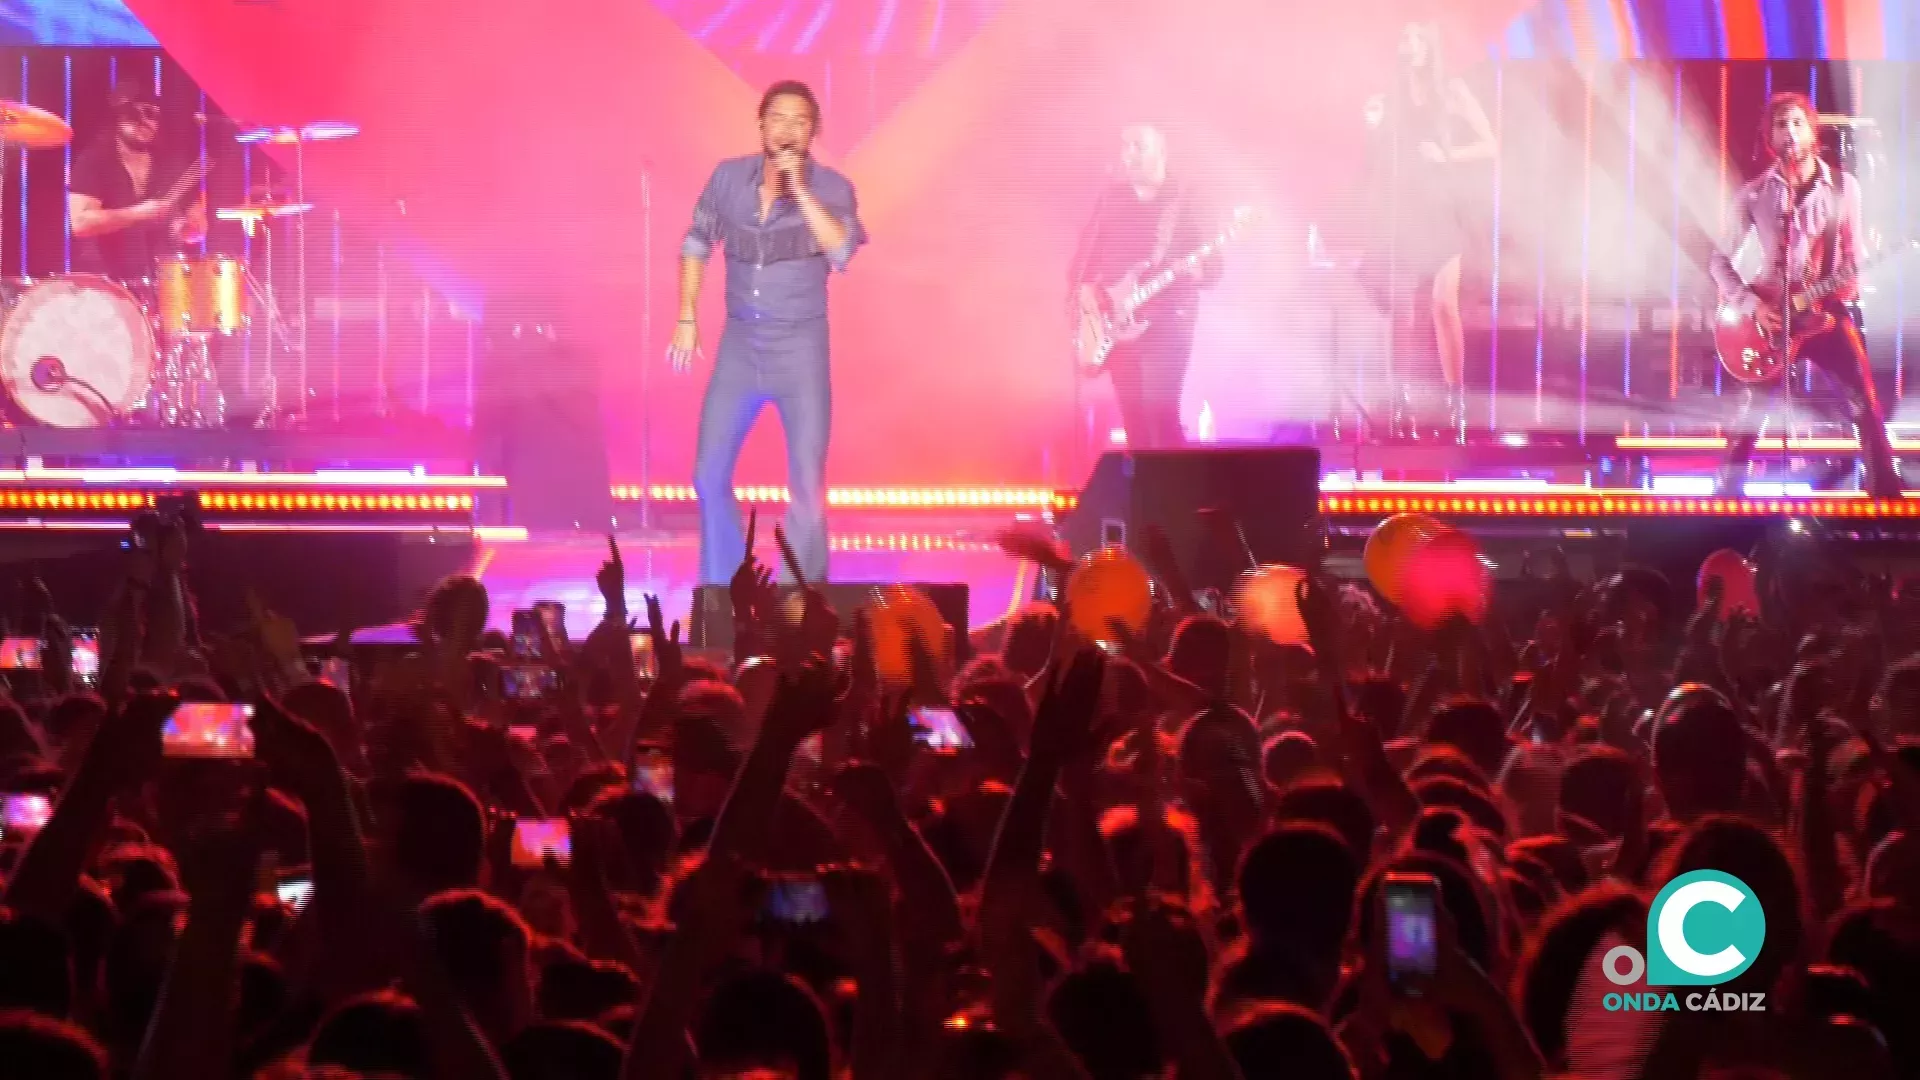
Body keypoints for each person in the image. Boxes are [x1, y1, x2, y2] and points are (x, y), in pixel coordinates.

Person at [668, 80, 866, 586]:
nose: (789, 130)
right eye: (779, 118)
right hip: (740, 346)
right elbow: (695, 244)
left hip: (800, 348)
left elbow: (841, 253)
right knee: (708, 474)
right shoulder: (728, 178)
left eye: (801, 122)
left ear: (814, 133)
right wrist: (686, 317)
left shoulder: (834, 188)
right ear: (761, 125)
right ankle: (727, 591)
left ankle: (799, 603)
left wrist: (798, 189)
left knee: (806, 484)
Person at [1709, 91, 1902, 499]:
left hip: (1824, 312)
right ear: (1770, 138)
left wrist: (1850, 281)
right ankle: (1726, 497)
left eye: (1797, 122)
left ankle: (1885, 496)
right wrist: (1753, 306)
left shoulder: (1843, 188)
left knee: (1864, 401)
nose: (1789, 131)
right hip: (1769, 318)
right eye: (1780, 124)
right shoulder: (1754, 195)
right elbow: (1718, 262)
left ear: (1812, 132)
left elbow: (1853, 255)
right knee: (1753, 412)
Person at [1362, 20, 1496, 436]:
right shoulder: (1391, 98)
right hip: (1405, 209)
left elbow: (1491, 144)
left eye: (1417, 38)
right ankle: (1401, 402)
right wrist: (1374, 126)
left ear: (1430, 46)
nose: (1409, 45)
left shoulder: (1451, 91)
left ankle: (1456, 400)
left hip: (1442, 207)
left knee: (1443, 304)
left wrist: (1447, 153)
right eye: (1405, 38)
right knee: (1401, 311)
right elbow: (1381, 159)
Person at [1068, 123, 1223, 451]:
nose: (1129, 155)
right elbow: (1085, 257)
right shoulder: (1112, 198)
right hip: (1118, 325)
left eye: (1139, 146)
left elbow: (1214, 268)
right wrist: (1085, 292)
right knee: (1135, 427)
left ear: (1162, 152)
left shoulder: (1187, 200)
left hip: (1167, 325)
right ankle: (1143, 500)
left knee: (1161, 421)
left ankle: (1179, 500)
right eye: (1125, 147)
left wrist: (1196, 272)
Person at [67, 80, 204, 282]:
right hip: (105, 282)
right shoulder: (94, 161)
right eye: (137, 114)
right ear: (118, 116)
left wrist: (186, 229)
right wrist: (137, 213)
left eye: (153, 115)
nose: (145, 122)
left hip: (163, 281)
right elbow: (80, 224)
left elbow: (197, 228)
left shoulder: (171, 165)